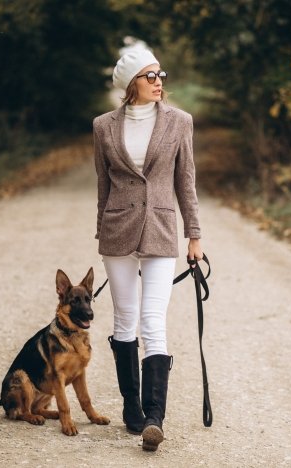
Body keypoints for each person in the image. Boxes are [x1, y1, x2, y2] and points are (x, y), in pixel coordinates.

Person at [92, 46, 203, 452]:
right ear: (131, 83)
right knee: (125, 319)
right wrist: (102, 230)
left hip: (160, 229)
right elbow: (103, 184)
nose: (158, 82)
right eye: (150, 75)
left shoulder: (179, 122)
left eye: (160, 75)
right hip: (118, 231)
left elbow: (185, 181)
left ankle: (155, 418)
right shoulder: (103, 126)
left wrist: (194, 234)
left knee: (153, 319)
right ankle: (132, 408)